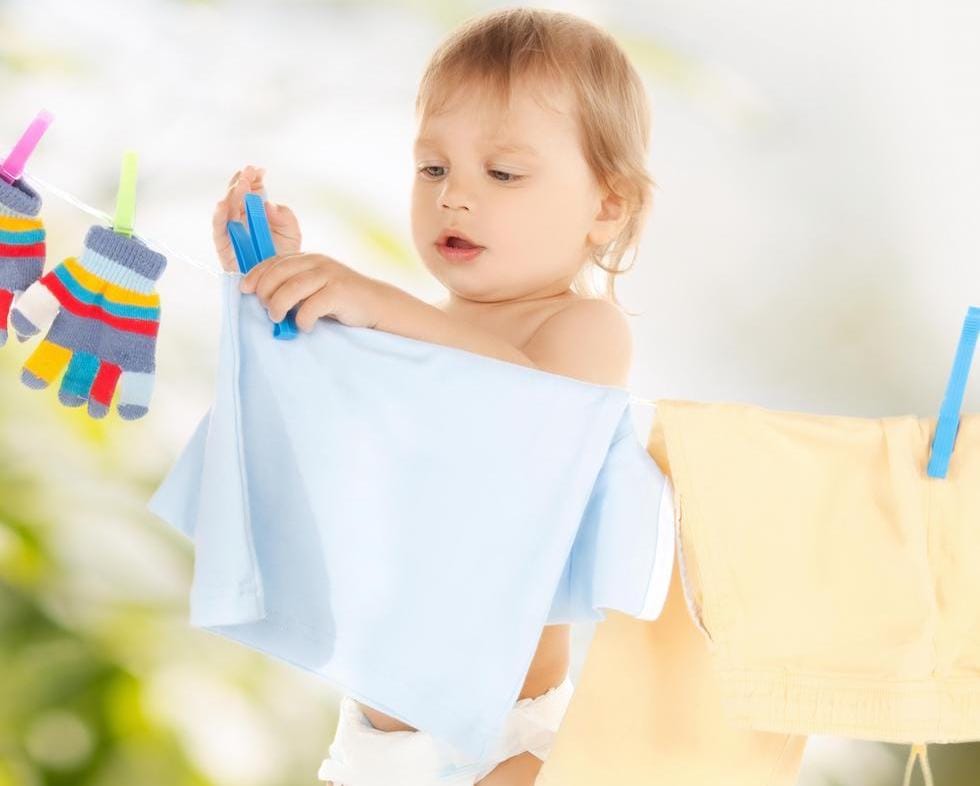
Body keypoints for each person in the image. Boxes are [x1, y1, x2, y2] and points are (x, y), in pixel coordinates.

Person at [210, 7, 656, 784]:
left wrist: (377, 303)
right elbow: (324, 415)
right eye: (433, 168)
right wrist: (276, 281)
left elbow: (525, 406)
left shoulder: (585, 329)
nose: (455, 197)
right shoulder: (419, 335)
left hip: (510, 741)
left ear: (606, 206)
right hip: (378, 740)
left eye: (504, 174)